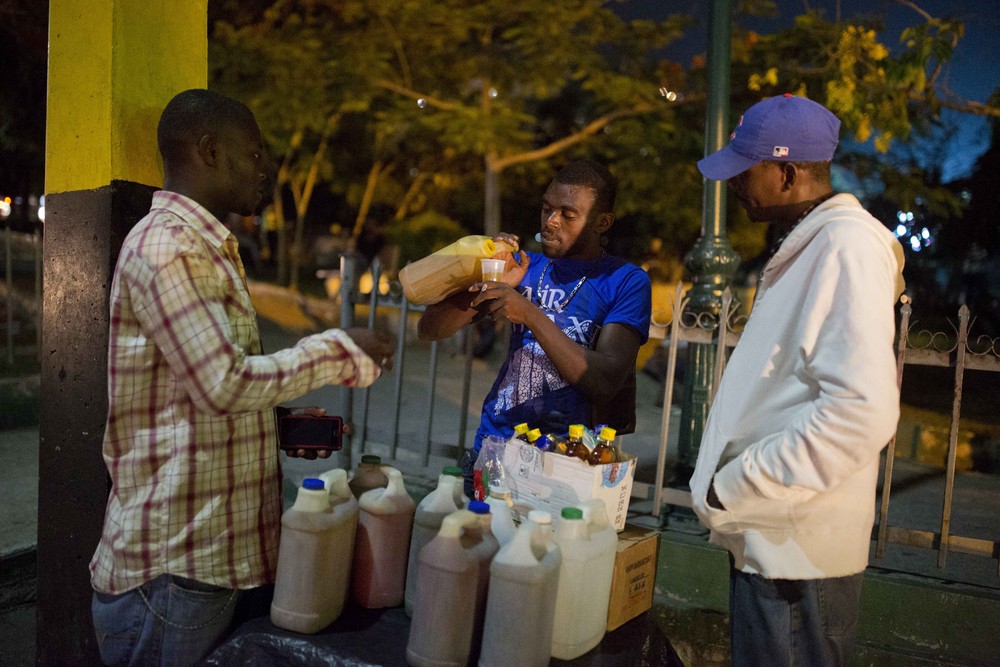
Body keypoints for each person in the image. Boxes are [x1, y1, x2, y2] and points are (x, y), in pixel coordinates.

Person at [89, 89, 396, 666]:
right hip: (173, 573)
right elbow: (222, 384)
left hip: (207, 566)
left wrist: (288, 427)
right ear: (210, 151)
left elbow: (195, 397)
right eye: (254, 153)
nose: (266, 169)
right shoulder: (168, 246)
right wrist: (339, 350)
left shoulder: (209, 248)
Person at [689, 94, 905, 666]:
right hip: (775, 540)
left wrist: (736, 485)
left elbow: (863, 409)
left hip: (797, 556)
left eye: (745, 168)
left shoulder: (846, 246)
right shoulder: (813, 242)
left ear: (786, 172)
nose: (733, 182)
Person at [418, 160, 652, 498]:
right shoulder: (525, 266)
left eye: (568, 214)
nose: (551, 222)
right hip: (497, 449)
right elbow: (429, 329)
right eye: (546, 209)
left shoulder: (625, 280)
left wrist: (530, 313)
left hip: (571, 464)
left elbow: (604, 380)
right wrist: (483, 276)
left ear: (602, 222)